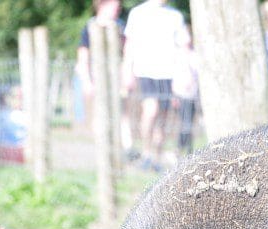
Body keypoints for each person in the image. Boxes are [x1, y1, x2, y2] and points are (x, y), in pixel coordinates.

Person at [122, 0, 187, 171]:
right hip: (145, 71)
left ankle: (155, 155)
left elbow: (182, 48)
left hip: (168, 73)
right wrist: (127, 69)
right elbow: (129, 45)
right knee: (151, 110)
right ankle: (146, 152)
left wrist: (181, 75)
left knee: (163, 117)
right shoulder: (137, 14)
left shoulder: (175, 16)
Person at [76, 0, 134, 156]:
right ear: (102, 5)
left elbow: (127, 53)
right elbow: (83, 56)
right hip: (98, 76)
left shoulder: (120, 26)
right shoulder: (90, 27)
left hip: (117, 76)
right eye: (114, 4)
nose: (118, 8)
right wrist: (87, 80)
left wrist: (127, 74)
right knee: (99, 112)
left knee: (122, 112)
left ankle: (126, 148)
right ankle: (104, 149)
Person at [171, 28, 198, 155]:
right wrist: (174, 95)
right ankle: (180, 147)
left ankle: (187, 149)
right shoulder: (176, 56)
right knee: (184, 122)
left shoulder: (194, 55)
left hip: (192, 94)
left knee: (189, 122)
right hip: (180, 93)